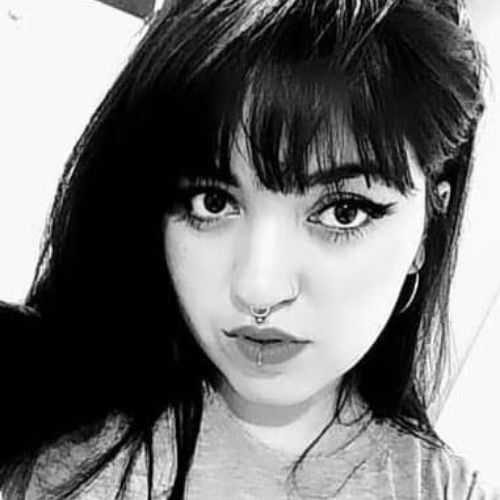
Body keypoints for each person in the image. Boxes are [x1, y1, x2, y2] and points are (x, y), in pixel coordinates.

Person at [0, 0, 498, 498]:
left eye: (344, 211)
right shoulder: (57, 443)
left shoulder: (443, 489)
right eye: (212, 202)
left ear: (427, 227)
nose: (259, 288)